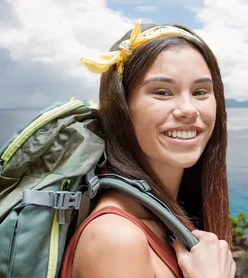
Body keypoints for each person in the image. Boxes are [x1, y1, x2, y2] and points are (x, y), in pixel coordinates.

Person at [60, 20, 235, 278]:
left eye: (200, 91)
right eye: (163, 92)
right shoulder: (116, 238)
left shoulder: (166, 219)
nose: (188, 109)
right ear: (122, 107)